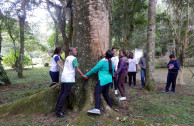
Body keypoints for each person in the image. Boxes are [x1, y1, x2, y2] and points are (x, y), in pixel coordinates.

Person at [55, 47, 87, 117]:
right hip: (68, 78)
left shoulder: (67, 58)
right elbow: (77, 68)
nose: (76, 51)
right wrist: (83, 75)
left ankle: (57, 109)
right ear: (71, 51)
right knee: (64, 94)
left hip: (64, 77)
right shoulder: (74, 58)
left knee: (62, 93)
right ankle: (58, 111)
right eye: (75, 50)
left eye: (76, 50)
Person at [85, 50, 114, 115]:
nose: (103, 52)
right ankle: (110, 107)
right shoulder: (110, 62)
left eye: (104, 52)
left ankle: (97, 109)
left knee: (97, 93)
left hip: (102, 80)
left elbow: (94, 69)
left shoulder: (102, 62)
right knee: (105, 93)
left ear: (105, 55)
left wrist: (86, 74)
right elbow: (112, 72)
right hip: (109, 80)